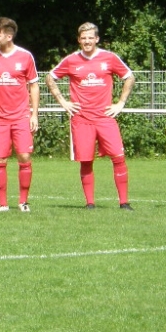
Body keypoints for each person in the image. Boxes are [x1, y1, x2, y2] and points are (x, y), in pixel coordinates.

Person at [46, 22, 135, 210]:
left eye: (90, 38)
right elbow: (50, 77)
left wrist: (120, 103)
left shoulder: (109, 58)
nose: (87, 41)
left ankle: (124, 202)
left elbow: (129, 76)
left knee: (118, 157)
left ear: (97, 39)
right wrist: (63, 102)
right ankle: (90, 203)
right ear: (79, 40)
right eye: (83, 38)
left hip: (105, 118)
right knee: (86, 161)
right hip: (81, 119)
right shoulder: (71, 60)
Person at [0, 17, 39, 212]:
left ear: (9, 36)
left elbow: (34, 86)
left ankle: (23, 202)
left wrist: (34, 114)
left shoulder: (25, 57)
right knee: (0, 159)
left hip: (21, 117)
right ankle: (2, 204)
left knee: (24, 156)